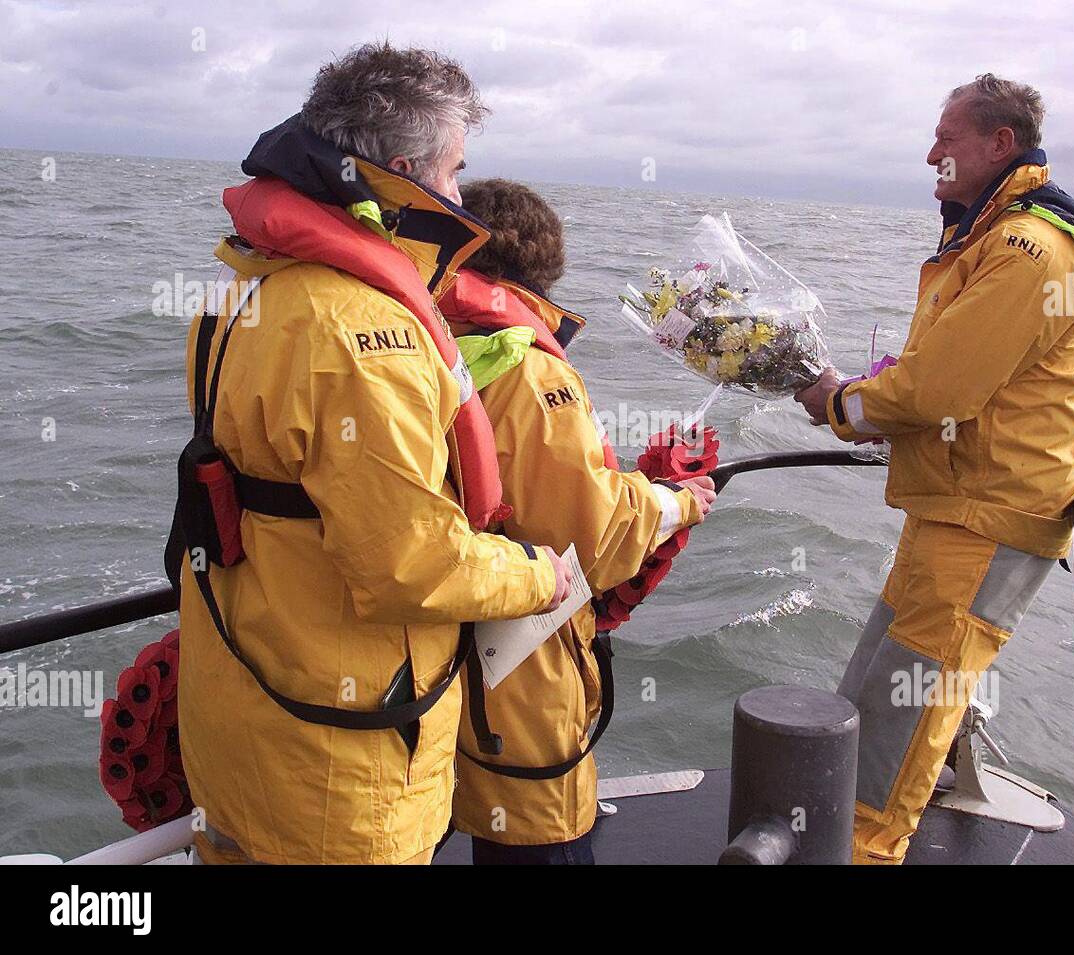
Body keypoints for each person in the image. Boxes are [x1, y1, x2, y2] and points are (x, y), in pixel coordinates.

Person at [171, 43, 576, 865]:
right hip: (337, 767)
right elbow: (409, 565)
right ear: (405, 173)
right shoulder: (366, 333)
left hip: (236, 723)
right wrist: (544, 574)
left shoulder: (240, 290)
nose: (464, 197)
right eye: (456, 172)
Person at [794, 74, 1074, 864]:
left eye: (947, 137)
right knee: (880, 687)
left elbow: (941, 387)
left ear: (999, 144)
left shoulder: (1028, 249)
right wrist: (886, 411)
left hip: (987, 516)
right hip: (956, 507)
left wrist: (841, 404)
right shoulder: (992, 235)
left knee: (904, 717)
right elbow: (947, 384)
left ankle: (865, 850)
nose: (931, 154)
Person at [438, 179, 716, 864]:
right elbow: (589, 538)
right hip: (517, 674)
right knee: (542, 836)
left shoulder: (426, 344)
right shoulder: (532, 374)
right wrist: (677, 500)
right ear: (544, 267)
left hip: (433, 670)